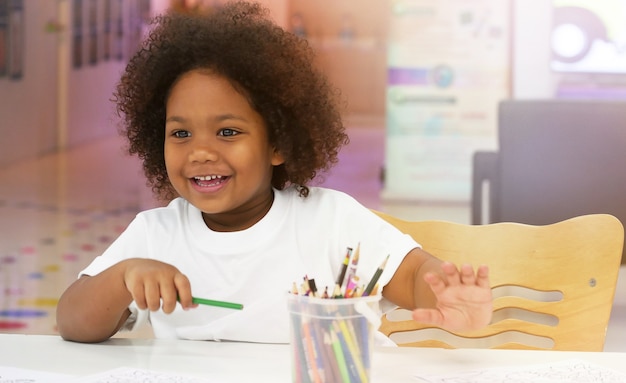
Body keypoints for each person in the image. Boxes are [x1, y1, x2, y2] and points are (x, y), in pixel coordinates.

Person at [56, 1, 492, 344]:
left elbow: (413, 276)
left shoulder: (332, 221)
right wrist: (122, 276)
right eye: (181, 133)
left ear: (279, 143)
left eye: (228, 131)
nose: (201, 152)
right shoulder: (155, 234)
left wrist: (447, 295)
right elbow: (73, 321)